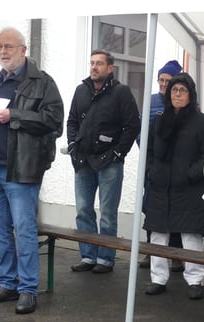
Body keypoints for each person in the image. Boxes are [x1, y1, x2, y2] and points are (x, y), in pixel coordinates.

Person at [0, 27, 64, 314]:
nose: (3, 52)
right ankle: (8, 284)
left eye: (9, 47)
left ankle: (27, 289)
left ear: (23, 50)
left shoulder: (42, 82)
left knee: (24, 230)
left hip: (20, 168)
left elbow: (54, 121)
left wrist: (14, 115)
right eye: (0, 46)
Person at [143, 73, 204, 299]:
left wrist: (191, 173)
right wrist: (151, 171)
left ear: (190, 94)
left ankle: (195, 279)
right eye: (174, 90)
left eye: (182, 90)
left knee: (191, 235)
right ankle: (158, 278)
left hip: (189, 188)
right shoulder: (159, 120)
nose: (177, 94)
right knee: (158, 234)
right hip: (160, 187)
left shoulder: (201, 121)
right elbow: (149, 151)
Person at [67, 49, 140, 274]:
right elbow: (71, 121)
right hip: (83, 162)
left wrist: (119, 153)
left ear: (110, 68)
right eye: (92, 63)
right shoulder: (81, 90)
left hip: (110, 163)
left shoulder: (121, 92)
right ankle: (88, 256)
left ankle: (106, 259)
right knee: (83, 211)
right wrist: (73, 146)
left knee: (108, 214)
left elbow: (132, 125)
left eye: (99, 63)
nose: (94, 67)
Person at [138, 59, 184, 272]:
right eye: (161, 80)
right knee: (152, 209)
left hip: (175, 167)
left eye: (168, 80)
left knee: (175, 209)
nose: (164, 84)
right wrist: (149, 158)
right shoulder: (151, 101)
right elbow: (140, 131)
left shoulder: (184, 102)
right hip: (155, 167)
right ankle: (150, 251)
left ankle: (175, 254)